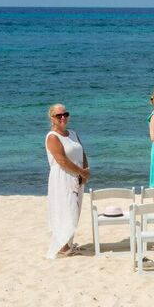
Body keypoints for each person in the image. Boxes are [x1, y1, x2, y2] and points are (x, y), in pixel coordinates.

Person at [45, 104, 89, 258]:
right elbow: (61, 160)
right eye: (59, 115)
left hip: (77, 175)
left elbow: (81, 151)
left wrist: (85, 169)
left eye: (65, 114)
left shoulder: (73, 133)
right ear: (52, 118)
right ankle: (63, 246)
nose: (63, 117)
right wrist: (81, 171)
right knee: (66, 209)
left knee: (75, 208)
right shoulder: (52, 137)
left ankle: (68, 243)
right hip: (62, 177)